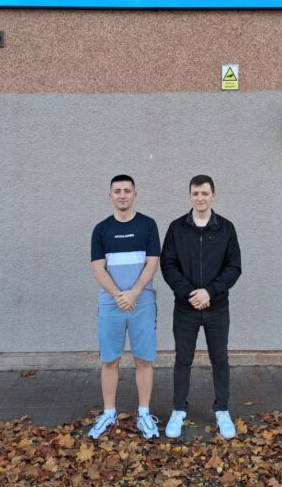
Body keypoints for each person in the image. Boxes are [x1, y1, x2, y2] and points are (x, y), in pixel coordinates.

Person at [160, 174, 242, 439]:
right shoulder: (176, 228)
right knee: (183, 359)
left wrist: (210, 291)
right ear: (190, 196)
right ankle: (178, 410)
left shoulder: (226, 228)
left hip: (217, 308)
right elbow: (168, 265)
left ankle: (222, 410)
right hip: (185, 309)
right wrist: (189, 294)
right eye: (195, 193)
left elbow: (234, 267)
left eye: (205, 193)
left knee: (220, 359)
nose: (200, 198)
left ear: (213, 196)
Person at [88, 174, 161, 440]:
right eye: (117, 191)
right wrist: (120, 295)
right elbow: (98, 268)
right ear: (110, 196)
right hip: (111, 305)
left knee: (144, 359)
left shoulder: (148, 225)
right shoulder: (101, 229)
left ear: (135, 195)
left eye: (126, 191)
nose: (122, 195)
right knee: (110, 361)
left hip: (143, 303)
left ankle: (144, 413)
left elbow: (153, 262)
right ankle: (109, 413)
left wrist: (134, 293)